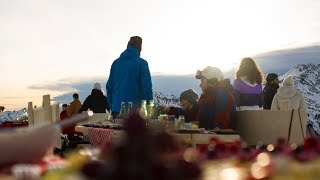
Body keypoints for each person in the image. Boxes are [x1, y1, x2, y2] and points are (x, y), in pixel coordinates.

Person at [106, 36, 153, 116]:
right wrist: (149, 108)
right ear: (140, 47)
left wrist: (113, 106)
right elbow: (146, 89)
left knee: (115, 128)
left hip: (116, 110)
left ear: (128, 46)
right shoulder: (141, 63)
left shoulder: (116, 63)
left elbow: (109, 87)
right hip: (135, 112)